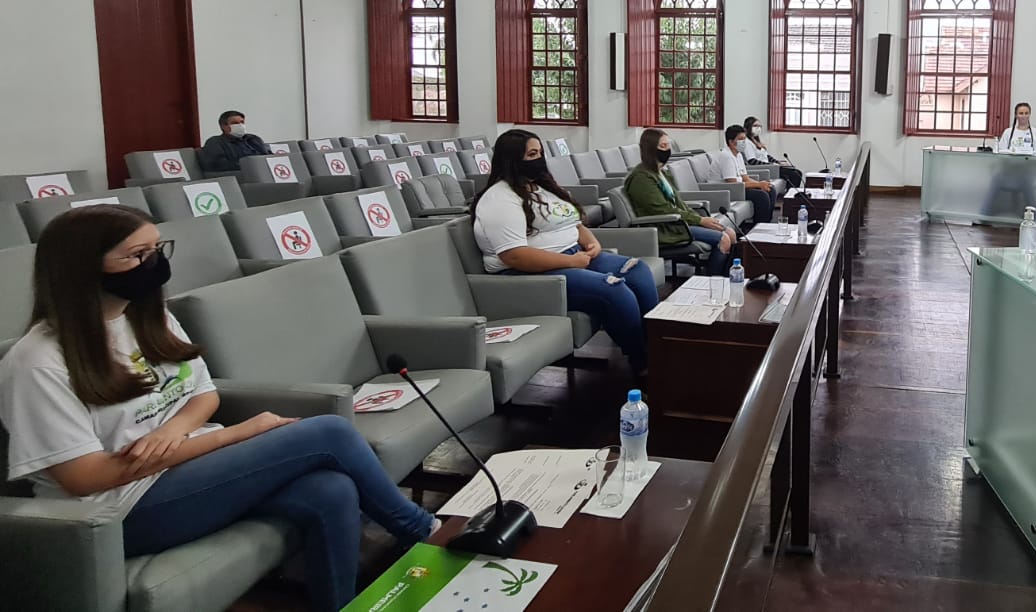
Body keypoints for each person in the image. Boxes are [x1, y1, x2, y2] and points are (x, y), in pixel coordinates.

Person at [0, 206, 436, 611]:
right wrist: (236, 433)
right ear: (82, 268)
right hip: (119, 509)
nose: (154, 263)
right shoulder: (38, 362)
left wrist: (171, 431)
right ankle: (425, 531)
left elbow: (204, 395)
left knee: (331, 489)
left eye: (157, 249)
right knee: (329, 433)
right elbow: (85, 477)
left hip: (184, 470)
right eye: (137, 255)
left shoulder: (148, 316)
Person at [471, 129, 657, 375]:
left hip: (573, 256)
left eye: (540, 153)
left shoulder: (540, 187)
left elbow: (573, 224)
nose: (539, 159)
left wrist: (592, 243)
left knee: (638, 271)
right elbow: (514, 255)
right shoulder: (500, 199)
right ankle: (643, 362)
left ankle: (657, 347)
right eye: (532, 154)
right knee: (614, 289)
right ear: (512, 159)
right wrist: (570, 261)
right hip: (531, 273)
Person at [623, 129, 735, 275]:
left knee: (731, 233)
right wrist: (699, 220)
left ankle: (727, 277)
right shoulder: (641, 178)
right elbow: (662, 209)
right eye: (663, 146)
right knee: (723, 239)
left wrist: (699, 219)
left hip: (677, 223)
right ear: (650, 149)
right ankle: (711, 280)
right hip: (664, 227)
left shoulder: (660, 173)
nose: (667, 150)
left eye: (668, 145)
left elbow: (678, 203)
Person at [712, 125, 775, 224]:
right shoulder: (726, 156)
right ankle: (759, 226)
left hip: (737, 188)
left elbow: (745, 178)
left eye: (745, 139)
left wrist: (762, 184)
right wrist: (758, 185)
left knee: (770, 189)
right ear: (731, 142)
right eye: (741, 139)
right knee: (761, 196)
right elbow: (733, 184)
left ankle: (767, 224)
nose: (744, 142)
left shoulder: (738, 155)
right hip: (725, 191)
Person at [197, 110, 270, 173]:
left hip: (264, 171)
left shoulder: (253, 139)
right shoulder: (215, 142)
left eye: (242, 122)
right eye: (235, 123)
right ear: (223, 126)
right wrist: (248, 165)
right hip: (240, 174)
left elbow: (267, 155)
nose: (240, 125)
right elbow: (217, 164)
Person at [742, 116, 803, 188]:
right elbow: (752, 161)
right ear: (748, 127)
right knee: (795, 175)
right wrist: (771, 164)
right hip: (764, 169)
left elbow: (766, 156)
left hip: (770, 167)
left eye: (759, 126)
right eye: (755, 126)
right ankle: (790, 194)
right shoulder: (747, 142)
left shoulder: (756, 141)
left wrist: (778, 162)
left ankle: (791, 193)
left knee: (797, 172)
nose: (758, 128)